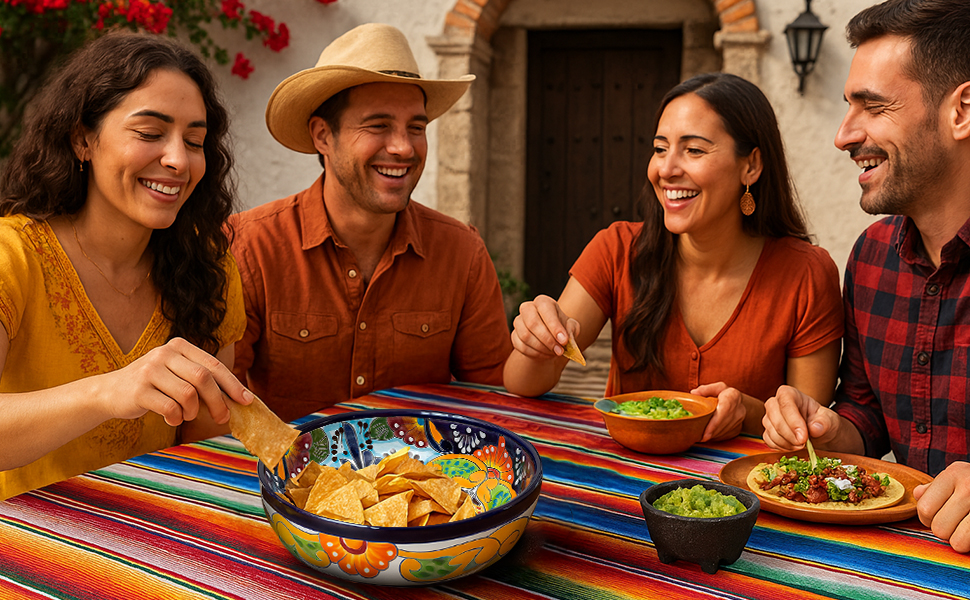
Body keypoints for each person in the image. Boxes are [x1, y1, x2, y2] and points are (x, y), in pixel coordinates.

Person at [504, 73, 843, 442]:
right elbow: (524, 384)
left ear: (751, 166)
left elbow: (811, 431)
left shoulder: (806, 273)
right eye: (660, 148)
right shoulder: (616, 249)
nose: (666, 170)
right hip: (620, 484)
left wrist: (747, 412)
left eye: (694, 150)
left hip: (743, 493)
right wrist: (535, 344)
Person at [0, 32, 252, 500]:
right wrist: (108, 392)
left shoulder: (208, 263)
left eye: (194, 140)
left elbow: (204, 447)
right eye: (150, 134)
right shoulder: (11, 256)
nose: (178, 159)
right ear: (82, 140)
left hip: (153, 550)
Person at [762, 0, 970, 553]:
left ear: (963, 110)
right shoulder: (873, 256)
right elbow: (868, 417)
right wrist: (830, 428)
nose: (844, 134)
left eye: (873, 107)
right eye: (848, 107)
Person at [230, 23, 512, 423]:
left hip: (421, 483)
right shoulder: (249, 247)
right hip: (283, 482)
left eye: (416, 127)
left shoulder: (462, 253)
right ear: (323, 136)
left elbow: (490, 403)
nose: (402, 147)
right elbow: (218, 405)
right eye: (378, 125)